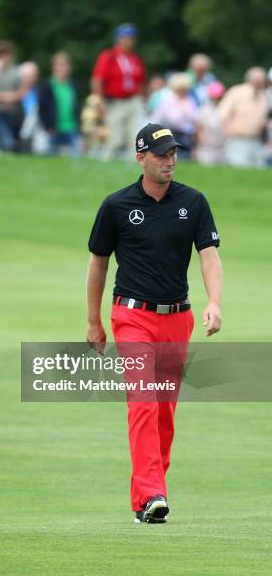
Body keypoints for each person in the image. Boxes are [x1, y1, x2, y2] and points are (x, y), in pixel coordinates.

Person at [86, 123, 222, 523]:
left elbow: (209, 255)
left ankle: (146, 500)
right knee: (143, 402)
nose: (170, 160)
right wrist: (94, 321)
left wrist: (214, 301)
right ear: (140, 157)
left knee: (164, 413)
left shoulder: (193, 202)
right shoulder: (116, 206)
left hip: (177, 318)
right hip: (131, 316)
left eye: (174, 153)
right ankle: (154, 492)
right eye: (162, 154)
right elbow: (98, 263)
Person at [91, 23, 146, 160]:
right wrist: (99, 101)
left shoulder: (135, 58)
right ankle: (107, 160)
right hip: (115, 102)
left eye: (132, 38)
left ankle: (133, 163)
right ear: (119, 39)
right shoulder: (108, 57)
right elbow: (97, 80)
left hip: (133, 100)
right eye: (127, 38)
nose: (130, 41)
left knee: (135, 136)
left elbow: (141, 80)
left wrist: (142, 99)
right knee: (114, 137)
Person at [218, 66, 268, 168]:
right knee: (238, 167)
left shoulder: (263, 96)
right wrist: (228, 132)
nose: (263, 83)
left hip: (256, 140)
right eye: (261, 80)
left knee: (258, 170)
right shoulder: (236, 92)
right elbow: (222, 114)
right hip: (237, 139)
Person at [38, 52, 81, 155]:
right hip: (53, 129)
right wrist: (47, 126)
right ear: (54, 67)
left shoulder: (74, 85)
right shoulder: (47, 86)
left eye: (65, 65)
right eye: (60, 65)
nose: (63, 68)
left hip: (71, 127)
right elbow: (41, 109)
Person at [152, 73, 198, 159]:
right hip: (171, 134)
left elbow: (194, 119)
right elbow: (158, 118)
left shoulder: (190, 101)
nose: (184, 91)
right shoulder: (168, 100)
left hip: (186, 136)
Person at [196, 81, 226, 166]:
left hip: (222, 146)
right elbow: (199, 128)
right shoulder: (203, 109)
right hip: (207, 146)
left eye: (219, 97)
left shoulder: (225, 107)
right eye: (215, 97)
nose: (217, 99)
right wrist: (202, 140)